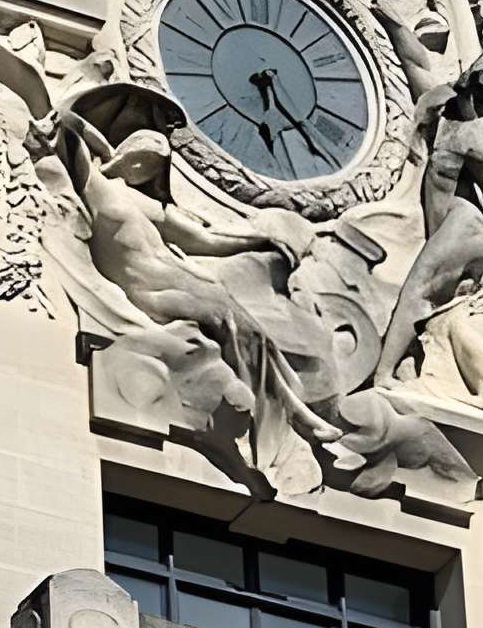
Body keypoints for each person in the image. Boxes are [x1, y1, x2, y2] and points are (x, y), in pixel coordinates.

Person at [46, 103, 344, 454]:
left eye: (156, 164)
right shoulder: (95, 186)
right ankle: (293, 413)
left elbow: (203, 240)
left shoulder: (145, 205)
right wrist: (102, 148)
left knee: (253, 332)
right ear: (128, 154)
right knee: (229, 321)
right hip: (151, 290)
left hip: (186, 279)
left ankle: (291, 406)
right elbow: (65, 120)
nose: (148, 167)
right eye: (145, 156)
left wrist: (261, 240)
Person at [374, 62, 483, 387]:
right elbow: (414, 62)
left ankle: (382, 374)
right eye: (480, 100)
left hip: (465, 223)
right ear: (466, 89)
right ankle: (405, 368)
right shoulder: (442, 114)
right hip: (438, 225)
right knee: (419, 294)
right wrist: (390, 19)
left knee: (419, 286)